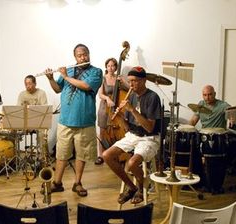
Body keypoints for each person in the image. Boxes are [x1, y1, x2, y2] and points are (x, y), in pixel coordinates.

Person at [42, 43, 102, 197]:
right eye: (79, 55)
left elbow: (86, 86)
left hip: (85, 121)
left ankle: (77, 183)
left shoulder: (96, 72)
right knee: (61, 153)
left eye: (85, 54)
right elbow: (57, 89)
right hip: (66, 120)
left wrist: (65, 76)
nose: (83, 57)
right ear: (75, 57)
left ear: (89, 54)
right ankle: (57, 183)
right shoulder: (69, 70)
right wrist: (50, 79)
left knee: (82, 154)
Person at [103, 66, 161, 204]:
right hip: (133, 135)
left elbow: (149, 127)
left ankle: (141, 189)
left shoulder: (153, 97)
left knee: (131, 163)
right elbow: (128, 127)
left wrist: (132, 110)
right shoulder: (132, 96)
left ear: (144, 81)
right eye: (129, 81)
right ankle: (132, 187)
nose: (131, 84)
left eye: (135, 81)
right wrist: (120, 117)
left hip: (149, 138)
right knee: (107, 156)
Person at [95, 58, 117, 165]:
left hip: (116, 107)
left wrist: (124, 81)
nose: (111, 68)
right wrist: (107, 98)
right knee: (102, 132)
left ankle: (114, 154)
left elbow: (128, 89)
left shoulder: (118, 78)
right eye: (109, 66)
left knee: (116, 132)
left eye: (113, 66)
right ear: (106, 67)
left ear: (116, 67)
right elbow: (100, 94)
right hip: (105, 107)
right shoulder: (103, 78)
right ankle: (100, 155)